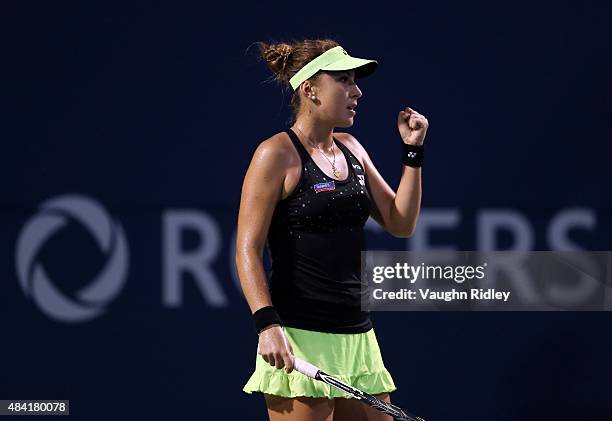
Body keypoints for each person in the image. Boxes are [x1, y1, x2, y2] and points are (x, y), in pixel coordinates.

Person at [237, 38, 428, 421]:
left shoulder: (353, 148)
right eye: (343, 80)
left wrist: (413, 151)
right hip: (300, 337)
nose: (356, 91)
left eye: (354, 81)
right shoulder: (275, 154)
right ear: (309, 89)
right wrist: (266, 324)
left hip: (359, 337)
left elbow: (400, 222)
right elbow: (247, 249)